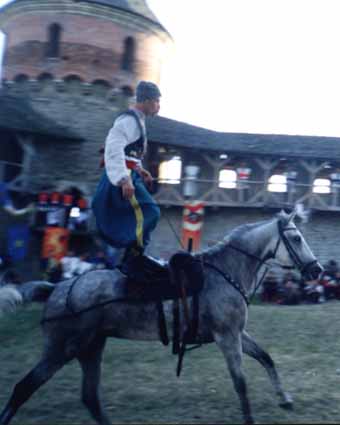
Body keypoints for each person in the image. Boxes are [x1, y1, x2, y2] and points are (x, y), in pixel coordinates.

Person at [92, 81, 200, 284]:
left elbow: (129, 153)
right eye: (157, 102)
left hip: (131, 175)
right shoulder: (129, 120)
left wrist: (141, 170)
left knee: (149, 212)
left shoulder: (138, 121)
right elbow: (113, 147)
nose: (159, 106)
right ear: (149, 101)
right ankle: (133, 260)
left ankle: (134, 257)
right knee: (151, 211)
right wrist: (125, 179)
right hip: (122, 178)